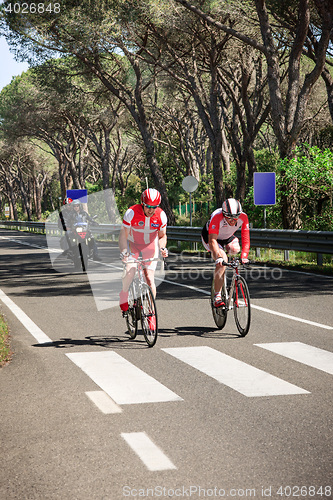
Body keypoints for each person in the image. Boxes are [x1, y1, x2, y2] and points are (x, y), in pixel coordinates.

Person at [118, 188, 168, 312]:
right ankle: (124, 293)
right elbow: (123, 235)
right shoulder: (131, 213)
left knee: (150, 278)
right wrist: (124, 251)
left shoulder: (161, 215)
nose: (151, 210)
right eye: (148, 206)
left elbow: (162, 236)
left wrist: (162, 248)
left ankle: (151, 313)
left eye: (154, 207)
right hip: (133, 245)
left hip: (149, 246)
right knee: (130, 271)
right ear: (142, 203)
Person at [201, 198, 250, 307]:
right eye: (229, 218)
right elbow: (212, 240)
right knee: (223, 259)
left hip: (226, 237)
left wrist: (244, 256)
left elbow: (246, 238)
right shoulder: (216, 217)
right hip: (211, 238)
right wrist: (218, 257)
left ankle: (232, 281)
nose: (233, 221)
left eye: (235, 217)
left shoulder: (244, 217)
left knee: (235, 249)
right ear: (224, 214)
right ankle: (217, 296)